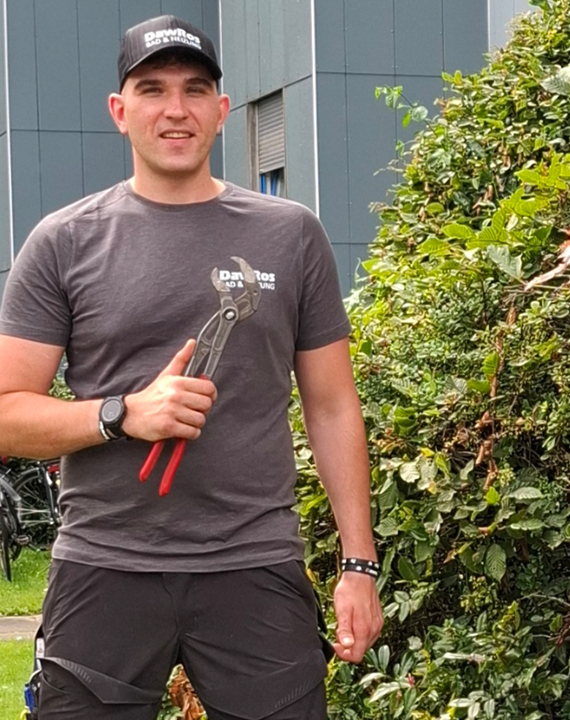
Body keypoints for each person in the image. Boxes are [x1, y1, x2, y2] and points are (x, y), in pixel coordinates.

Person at [0, 15, 381, 720]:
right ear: (120, 111)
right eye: (152, 89)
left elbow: (332, 406)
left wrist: (358, 563)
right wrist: (121, 414)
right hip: (106, 563)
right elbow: (5, 413)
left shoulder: (291, 234)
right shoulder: (63, 241)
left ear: (221, 109)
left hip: (254, 562)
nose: (175, 109)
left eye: (194, 89)